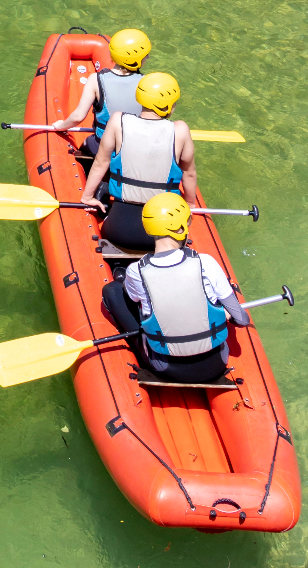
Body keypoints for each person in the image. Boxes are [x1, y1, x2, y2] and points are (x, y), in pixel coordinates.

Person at [101, 192, 251, 383]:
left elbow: (132, 302)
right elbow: (241, 319)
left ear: (148, 229)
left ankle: (139, 347)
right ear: (181, 228)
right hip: (215, 363)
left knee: (113, 291)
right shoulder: (206, 263)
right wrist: (225, 313)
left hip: (167, 368)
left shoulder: (135, 271)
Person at [80, 72, 197, 254]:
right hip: (164, 234)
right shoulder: (180, 130)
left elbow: (100, 163)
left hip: (119, 230)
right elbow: (189, 173)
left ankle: (119, 267)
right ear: (169, 104)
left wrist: (87, 197)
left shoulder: (118, 121)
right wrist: (191, 204)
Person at [50, 29, 152, 155]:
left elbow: (78, 117)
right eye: (146, 54)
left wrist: (61, 126)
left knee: (85, 147)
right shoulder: (148, 82)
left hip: (103, 147)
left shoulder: (96, 79)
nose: (148, 57)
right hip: (134, 149)